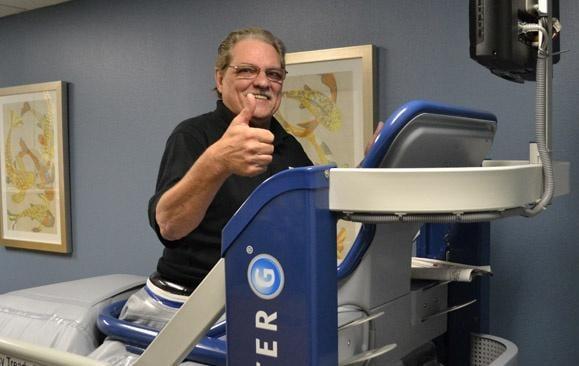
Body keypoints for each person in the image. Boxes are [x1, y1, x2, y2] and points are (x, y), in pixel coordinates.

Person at [89, 27, 312, 365]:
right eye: (247, 70)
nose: (263, 82)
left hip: (257, 305)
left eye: (274, 74)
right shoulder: (193, 136)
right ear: (220, 78)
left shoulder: (288, 146)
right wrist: (218, 161)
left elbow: (309, 217)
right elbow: (170, 224)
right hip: (183, 308)